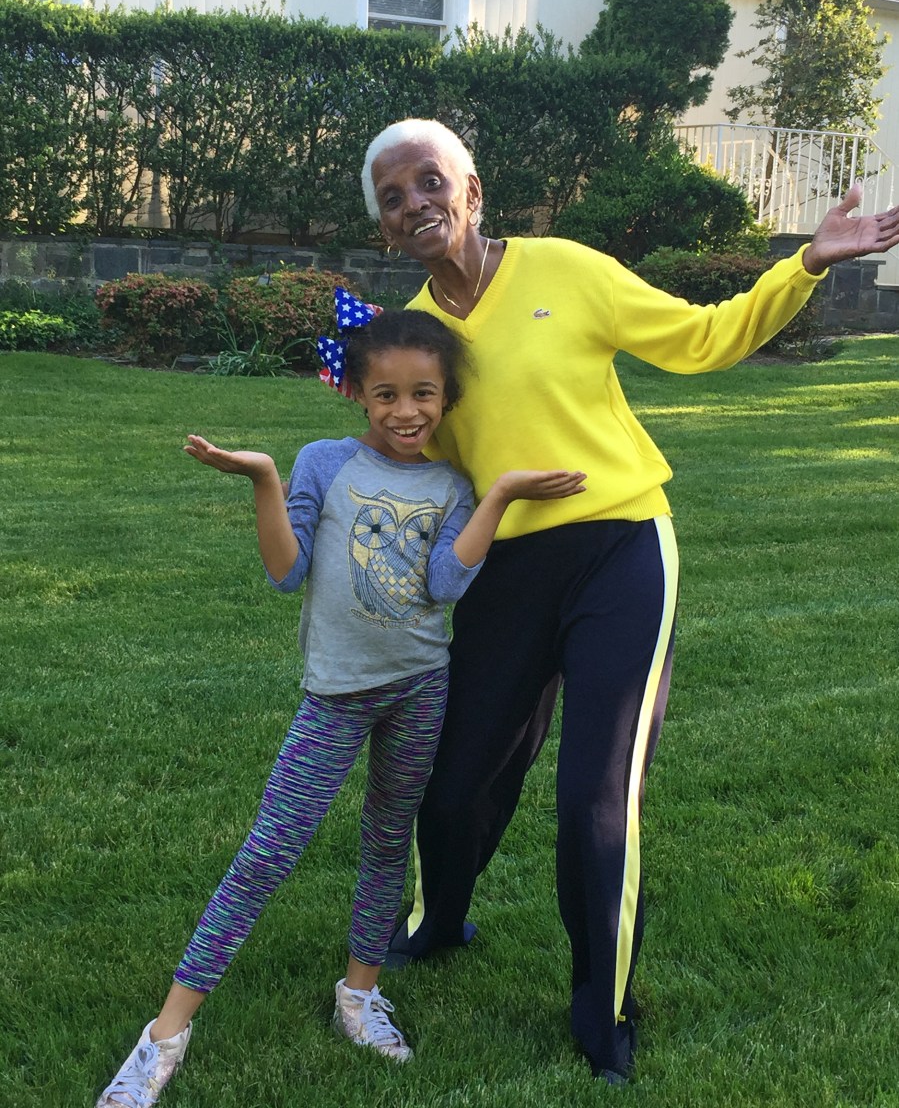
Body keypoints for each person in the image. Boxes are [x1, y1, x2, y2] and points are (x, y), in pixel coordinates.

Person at [359, 118, 899, 1084]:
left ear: (472, 191)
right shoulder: (414, 336)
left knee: (593, 795)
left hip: (620, 548)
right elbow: (414, 463)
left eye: (429, 182)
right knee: (453, 780)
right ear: (383, 227)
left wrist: (805, 265)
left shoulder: (565, 269)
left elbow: (700, 338)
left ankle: (600, 1012)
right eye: (393, 198)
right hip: (504, 572)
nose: (415, 205)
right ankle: (439, 921)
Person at [94, 306, 586, 1108]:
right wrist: (265, 478)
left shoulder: (451, 485)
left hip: (420, 689)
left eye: (423, 394)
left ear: (446, 398)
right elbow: (285, 572)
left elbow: (444, 585)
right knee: (266, 854)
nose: (405, 412)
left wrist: (496, 495)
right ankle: (165, 1035)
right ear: (357, 392)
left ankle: (358, 995)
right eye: (386, 394)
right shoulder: (323, 463)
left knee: (388, 841)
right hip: (335, 697)